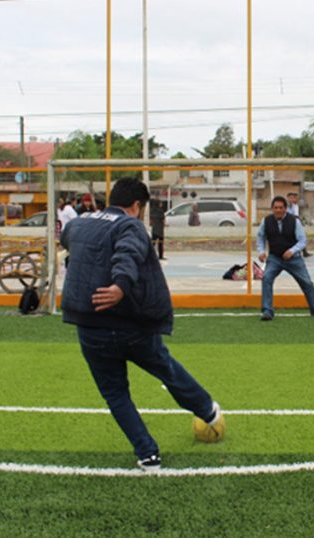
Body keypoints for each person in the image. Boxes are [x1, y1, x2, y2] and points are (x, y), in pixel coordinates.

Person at [60, 178, 224, 471]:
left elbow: (68, 238)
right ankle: (207, 410)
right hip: (128, 324)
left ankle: (148, 455)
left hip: (89, 324)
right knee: (165, 368)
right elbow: (128, 253)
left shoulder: (80, 223)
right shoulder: (130, 225)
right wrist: (120, 285)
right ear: (136, 206)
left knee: (115, 394)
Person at [257, 196, 314, 321]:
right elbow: (260, 237)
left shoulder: (294, 221)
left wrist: (292, 251)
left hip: (294, 259)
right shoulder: (266, 221)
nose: (278, 210)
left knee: (307, 283)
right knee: (266, 278)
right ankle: (267, 311)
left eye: (281, 208)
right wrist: (261, 251)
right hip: (275, 258)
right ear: (272, 208)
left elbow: (302, 240)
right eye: (275, 208)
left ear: (285, 209)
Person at [286, 192, 312, 257]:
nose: (292, 199)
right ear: (287, 198)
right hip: (288, 223)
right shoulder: (285, 206)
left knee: (300, 237)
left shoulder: (295, 206)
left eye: (293, 198)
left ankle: (304, 252)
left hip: (295, 223)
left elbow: (296, 215)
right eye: (290, 198)